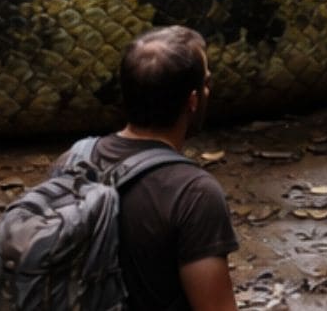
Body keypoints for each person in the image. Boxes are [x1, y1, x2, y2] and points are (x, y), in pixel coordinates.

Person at [63, 25, 239, 311]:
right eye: (205, 82)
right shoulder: (194, 194)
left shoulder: (74, 159)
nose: (208, 89)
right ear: (193, 101)